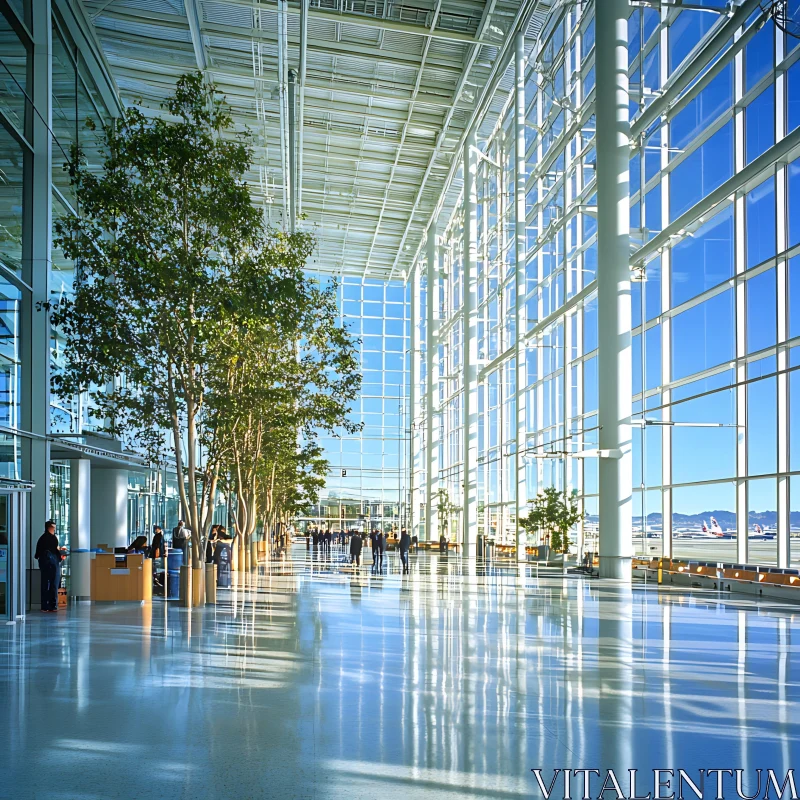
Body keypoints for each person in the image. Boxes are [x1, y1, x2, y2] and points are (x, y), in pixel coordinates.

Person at [34, 520, 64, 613]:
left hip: (44, 563)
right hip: (52, 563)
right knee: (53, 583)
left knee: (45, 583)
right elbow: (54, 551)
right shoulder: (52, 538)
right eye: (53, 527)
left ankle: (45, 605)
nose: (54, 529)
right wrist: (61, 554)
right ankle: (52, 605)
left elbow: (37, 554)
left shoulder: (42, 538)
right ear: (49, 527)